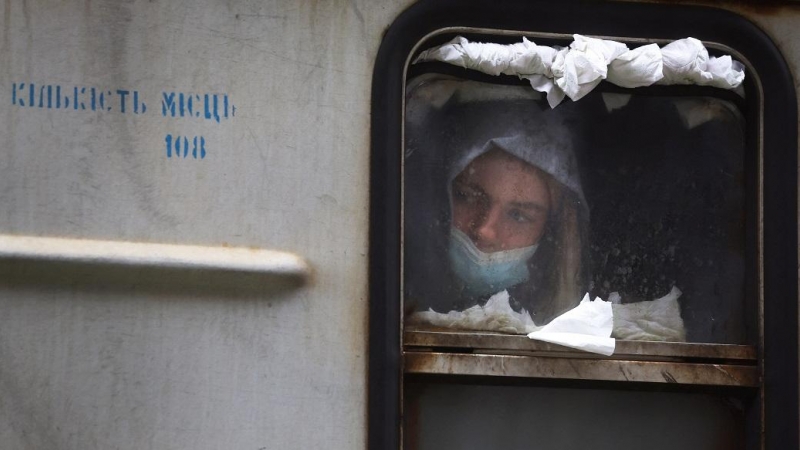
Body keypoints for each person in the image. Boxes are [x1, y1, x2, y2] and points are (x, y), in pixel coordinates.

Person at [404, 95, 590, 325]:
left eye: (518, 216)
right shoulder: (394, 297)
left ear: (551, 231)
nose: (485, 230)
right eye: (467, 197)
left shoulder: (570, 327)